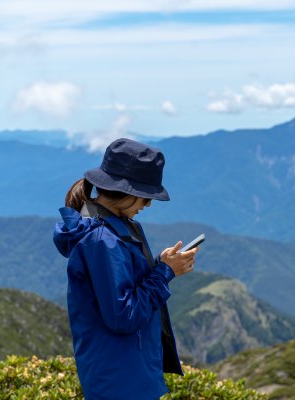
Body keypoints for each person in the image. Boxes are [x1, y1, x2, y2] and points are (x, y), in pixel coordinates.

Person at [53, 138, 197, 400]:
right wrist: (165, 272)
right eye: (146, 197)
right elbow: (124, 316)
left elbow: (124, 284)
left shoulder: (120, 228)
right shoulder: (101, 241)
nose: (148, 204)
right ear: (127, 192)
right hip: (119, 379)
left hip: (127, 369)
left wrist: (160, 263)